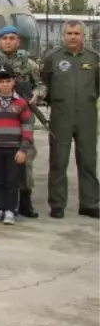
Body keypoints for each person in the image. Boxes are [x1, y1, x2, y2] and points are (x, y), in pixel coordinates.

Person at [0, 25, 44, 219]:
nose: (9, 42)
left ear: (18, 41)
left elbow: (41, 85)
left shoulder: (28, 63)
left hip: (22, 118)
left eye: (13, 38)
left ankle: (25, 201)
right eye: (4, 38)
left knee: (25, 158)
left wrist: (35, 96)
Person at [41, 19, 100, 219]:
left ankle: (90, 203)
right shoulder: (53, 58)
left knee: (88, 161)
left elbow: (97, 86)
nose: (73, 37)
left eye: (77, 33)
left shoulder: (94, 58)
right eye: (69, 33)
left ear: (83, 35)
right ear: (63, 35)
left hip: (86, 116)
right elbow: (45, 82)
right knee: (58, 160)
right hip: (61, 115)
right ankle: (57, 204)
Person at [0, 64, 34, 226]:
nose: (4, 84)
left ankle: (11, 210)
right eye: (1, 81)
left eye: (8, 81)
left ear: (14, 82)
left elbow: (27, 127)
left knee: (12, 181)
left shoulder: (21, 103)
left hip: (14, 149)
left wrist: (23, 149)